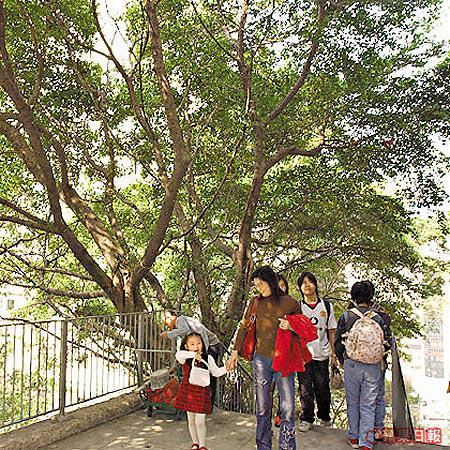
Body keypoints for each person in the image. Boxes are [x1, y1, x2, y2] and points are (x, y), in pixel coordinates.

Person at [226, 266, 317, 450]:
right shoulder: (254, 303)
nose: (258, 287)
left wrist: (290, 325)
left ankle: (287, 446)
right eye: (256, 285)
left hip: (285, 361)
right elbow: (243, 327)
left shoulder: (290, 303)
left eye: (261, 283)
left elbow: (304, 328)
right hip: (261, 361)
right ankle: (263, 445)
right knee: (262, 408)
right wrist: (235, 351)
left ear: (271, 281)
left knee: (288, 408)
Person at [334, 281, 392, 450]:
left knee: (353, 402)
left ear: (353, 296)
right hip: (373, 366)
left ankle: (353, 437)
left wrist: (343, 360)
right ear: (371, 297)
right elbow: (387, 342)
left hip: (352, 364)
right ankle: (366, 442)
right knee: (368, 404)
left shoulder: (346, 316)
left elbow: (337, 343)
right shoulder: (378, 318)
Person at [296, 271, 337, 431]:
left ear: (315, 285)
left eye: (310, 281)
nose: (307, 285)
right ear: (300, 288)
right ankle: (307, 418)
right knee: (305, 389)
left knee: (322, 388)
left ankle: (325, 418)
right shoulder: (298, 307)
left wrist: (334, 352)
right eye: (303, 283)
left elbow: (331, 330)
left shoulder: (326, 306)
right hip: (303, 356)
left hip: (322, 354)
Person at [173, 332, 228, 450]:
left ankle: (202, 445)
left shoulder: (208, 358)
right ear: (186, 346)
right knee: (191, 420)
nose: (196, 346)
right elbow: (178, 355)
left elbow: (216, 372)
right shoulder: (185, 357)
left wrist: (227, 368)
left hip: (202, 393)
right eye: (192, 344)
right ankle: (195, 443)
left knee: (200, 421)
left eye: (199, 343)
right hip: (188, 392)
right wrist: (193, 355)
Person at [161, 310, 221, 406]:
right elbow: (182, 350)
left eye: (167, 318)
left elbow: (185, 330)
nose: (166, 321)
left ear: (174, 316)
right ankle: (201, 401)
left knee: (207, 374)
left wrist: (168, 334)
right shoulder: (185, 334)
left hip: (211, 346)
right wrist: (173, 367)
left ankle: (208, 403)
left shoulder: (180, 320)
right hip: (206, 347)